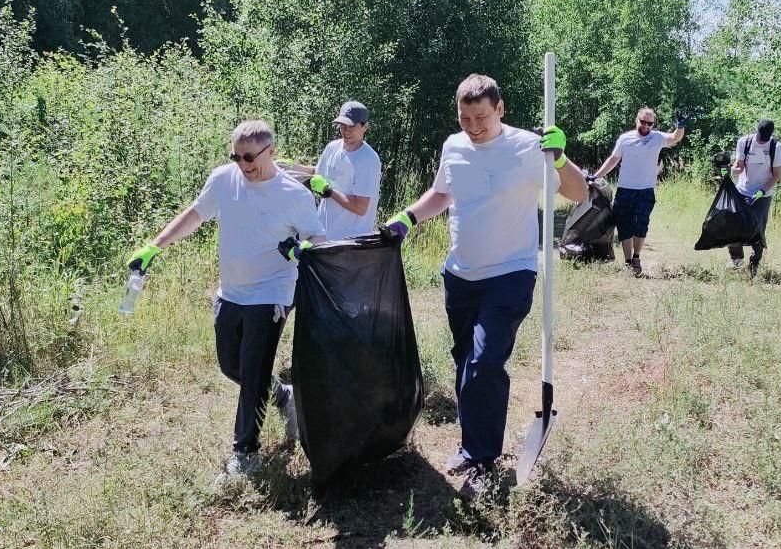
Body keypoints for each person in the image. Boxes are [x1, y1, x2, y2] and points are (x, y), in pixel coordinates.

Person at [380, 74, 588, 499]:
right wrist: (408, 217)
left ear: (501, 109)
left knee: (484, 363)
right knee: (464, 364)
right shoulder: (453, 147)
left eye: (481, 117)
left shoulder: (530, 148)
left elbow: (579, 192)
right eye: (465, 118)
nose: (473, 127)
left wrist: (561, 158)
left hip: (510, 274)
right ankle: (470, 443)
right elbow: (442, 195)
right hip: (460, 276)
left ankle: (483, 460)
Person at [127, 118, 325, 485]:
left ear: (271, 153)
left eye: (250, 157)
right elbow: (194, 215)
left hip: (273, 294)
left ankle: (245, 455)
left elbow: (317, 238)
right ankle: (283, 395)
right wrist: (155, 245)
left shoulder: (294, 194)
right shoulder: (224, 178)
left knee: (251, 374)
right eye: (237, 156)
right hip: (231, 291)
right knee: (230, 365)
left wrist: (301, 250)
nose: (243, 165)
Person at [588, 107, 686, 275]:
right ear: (637, 120)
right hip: (625, 190)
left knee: (641, 225)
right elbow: (613, 160)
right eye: (643, 122)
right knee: (624, 226)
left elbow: (675, 137)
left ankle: (636, 258)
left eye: (650, 123)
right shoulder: (625, 139)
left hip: (645, 191)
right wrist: (595, 176)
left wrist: (681, 125)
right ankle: (627, 262)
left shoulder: (657, 138)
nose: (646, 126)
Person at [282, 100, 382, 241]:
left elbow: (361, 207)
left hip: (350, 242)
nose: (346, 131)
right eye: (342, 126)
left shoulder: (367, 160)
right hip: (324, 234)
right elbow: (317, 173)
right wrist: (292, 166)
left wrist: (329, 192)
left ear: (365, 126)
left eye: (351, 126)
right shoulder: (333, 147)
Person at [728, 118, 781, 278]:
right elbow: (739, 167)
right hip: (742, 191)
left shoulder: (777, 148)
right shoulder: (744, 142)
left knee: (757, 230)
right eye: (760, 138)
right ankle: (736, 260)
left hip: (763, 194)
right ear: (756, 132)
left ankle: (754, 265)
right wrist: (729, 170)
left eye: (765, 140)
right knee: (732, 226)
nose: (761, 142)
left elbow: (777, 175)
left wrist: (760, 193)